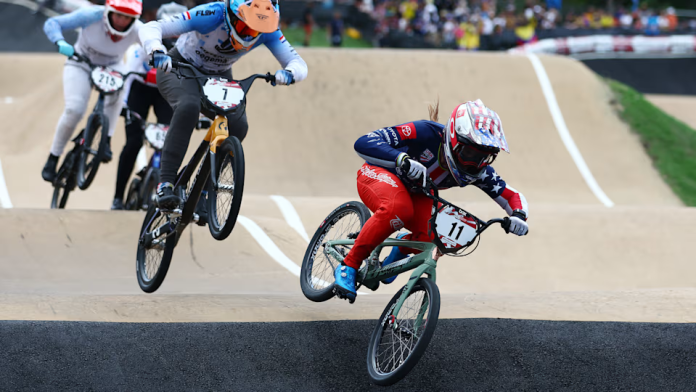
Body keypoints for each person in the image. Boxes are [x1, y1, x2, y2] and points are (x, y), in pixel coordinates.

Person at [334, 100, 530, 302]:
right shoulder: (424, 132)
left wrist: (519, 216)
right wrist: (401, 159)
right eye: (470, 153)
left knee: (442, 235)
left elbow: (512, 196)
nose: (475, 163)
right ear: (454, 140)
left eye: (484, 157)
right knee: (398, 210)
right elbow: (364, 142)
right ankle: (348, 266)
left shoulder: (479, 172)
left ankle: (400, 248)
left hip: (416, 193)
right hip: (377, 174)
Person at [139, 0, 308, 210]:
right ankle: (165, 183)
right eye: (246, 27)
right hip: (181, 68)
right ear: (231, 15)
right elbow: (152, 27)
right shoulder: (211, 14)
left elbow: (299, 64)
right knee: (189, 106)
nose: (250, 34)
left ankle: (204, 189)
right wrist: (156, 49)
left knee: (238, 126)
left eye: (257, 30)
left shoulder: (268, 28)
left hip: (219, 77)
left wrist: (289, 73)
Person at [41, 0, 143, 183]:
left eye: (127, 17)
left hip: (113, 66)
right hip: (81, 62)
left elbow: (156, 41)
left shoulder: (138, 28)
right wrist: (60, 41)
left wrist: (159, 53)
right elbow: (53, 23)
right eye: (119, 15)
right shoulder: (92, 15)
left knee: (121, 88)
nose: (121, 21)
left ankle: (107, 140)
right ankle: (53, 158)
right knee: (75, 109)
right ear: (108, 11)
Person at [111, 2, 187, 211]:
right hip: (140, 88)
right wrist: (123, 104)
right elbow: (128, 74)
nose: (174, 37)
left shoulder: (188, 47)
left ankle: (159, 182)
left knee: (168, 142)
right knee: (133, 142)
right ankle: (118, 197)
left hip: (165, 94)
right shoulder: (148, 43)